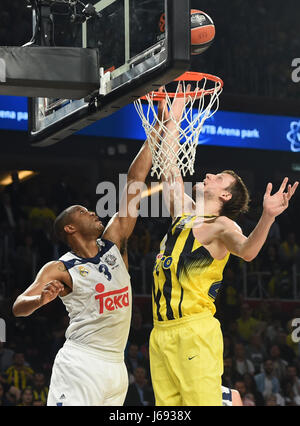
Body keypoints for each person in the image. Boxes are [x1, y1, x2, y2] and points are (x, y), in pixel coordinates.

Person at [149, 86, 299, 406]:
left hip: (194, 331)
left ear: (226, 196)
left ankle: (229, 400)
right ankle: (229, 399)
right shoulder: (184, 211)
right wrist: (174, 120)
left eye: (218, 177)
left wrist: (268, 216)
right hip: (160, 332)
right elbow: (168, 168)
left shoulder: (222, 226)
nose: (209, 175)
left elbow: (247, 251)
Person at [12, 118, 158, 406]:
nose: (92, 212)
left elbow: (134, 181)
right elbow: (18, 307)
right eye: (82, 211)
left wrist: (158, 130)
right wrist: (40, 300)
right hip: (82, 362)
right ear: (69, 228)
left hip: (117, 365)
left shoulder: (115, 242)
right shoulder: (60, 268)